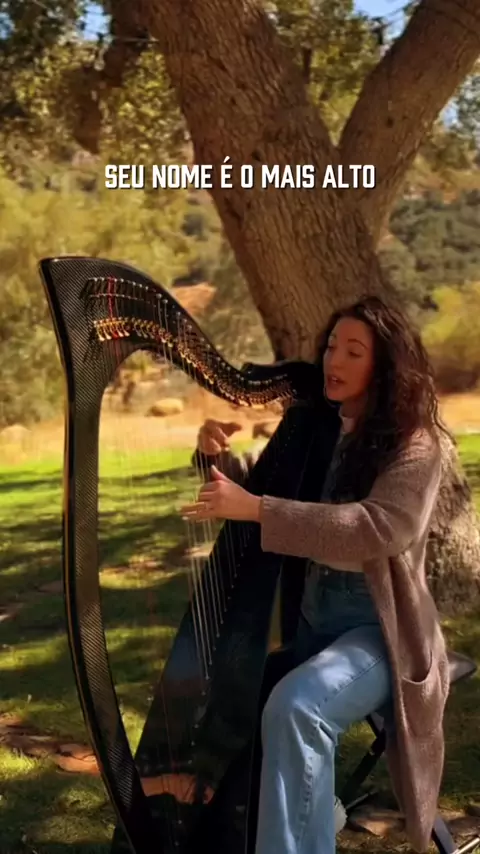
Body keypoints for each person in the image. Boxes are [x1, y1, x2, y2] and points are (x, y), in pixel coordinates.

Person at [181, 296, 450, 854]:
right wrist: (214, 459)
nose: (335, 360)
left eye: (354, 351)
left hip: (382, 633)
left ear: (385, 365)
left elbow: (375, 528)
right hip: (314, 626)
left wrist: (258, 509)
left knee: (296, 705)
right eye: (331, 347)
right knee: (229, 694)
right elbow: (262, 488)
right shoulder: (321, 431)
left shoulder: (416, 445)